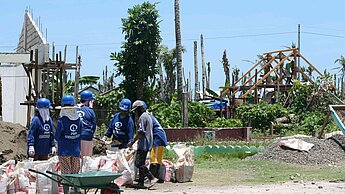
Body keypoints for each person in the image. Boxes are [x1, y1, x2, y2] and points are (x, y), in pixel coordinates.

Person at [55, 95, 82, 193]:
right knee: (75, 171)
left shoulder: (62, 120)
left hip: (64, 150)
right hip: (76, 150)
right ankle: (76, 190)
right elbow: (80, 133)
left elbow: (57, 135)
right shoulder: (78, 120)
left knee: (66, 172)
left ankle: (66, 191)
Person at [128, 100, 158, 189]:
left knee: (138, 163)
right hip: (148, 143)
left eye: (136, 110)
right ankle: (141, 183)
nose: (135, 113)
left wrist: (133, 141)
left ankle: (151, 178)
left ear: (139, 109)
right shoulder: (148, 116)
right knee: (142, 162)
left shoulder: (142, 117)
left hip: (143, 143)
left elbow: (141, 132)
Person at [77, 90, 97, 157]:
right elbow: (93, 125)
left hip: (74, 137)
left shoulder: (74, 108)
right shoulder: (90, 111)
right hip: (87, 137)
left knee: (77, 159)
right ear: (89, 101)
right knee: (86, 159)